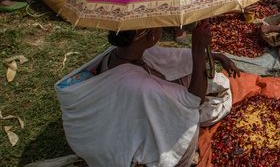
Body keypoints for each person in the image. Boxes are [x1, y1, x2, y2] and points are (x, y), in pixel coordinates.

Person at [56, 21, 240, 166]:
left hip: (123, 119)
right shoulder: (137, 86)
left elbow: (172, 58)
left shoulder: (123, 53)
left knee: (190, 76)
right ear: (151, 34)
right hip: (126, 153)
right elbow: (193, 102)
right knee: (188, 123)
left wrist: (215, 55)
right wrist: (198, 48)